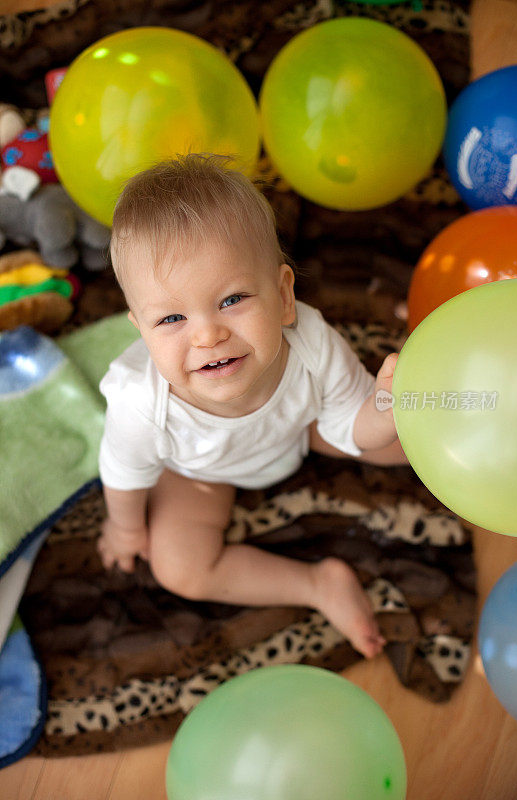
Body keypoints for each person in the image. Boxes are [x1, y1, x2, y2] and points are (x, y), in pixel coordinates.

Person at [98, 154, 408, 659]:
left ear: (284, 296)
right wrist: (125, 527)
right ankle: (316, 584)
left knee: (411, 435)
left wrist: (388, 410)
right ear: (141, 327)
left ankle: (487, 460)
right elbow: (124, 473)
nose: (207, 335)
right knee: (180, 568)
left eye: (232, 299)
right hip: (199, 473)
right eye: (172, 318)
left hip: (302, 427)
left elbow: (352, 421)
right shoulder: (141, 405)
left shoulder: (312, 342)